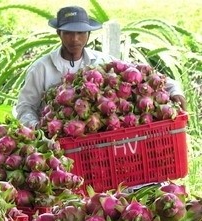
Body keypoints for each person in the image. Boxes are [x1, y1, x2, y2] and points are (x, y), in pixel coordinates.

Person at [14, 6, 187, 129]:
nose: (75, 39)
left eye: (81, 33)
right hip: (60, 144)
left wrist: (175, 90)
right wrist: (37, 127)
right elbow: (25, 106)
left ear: (89, 34)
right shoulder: (41, 69)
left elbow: (142, 74)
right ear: (58, 33)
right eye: (68, 33)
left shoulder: (103, 61)